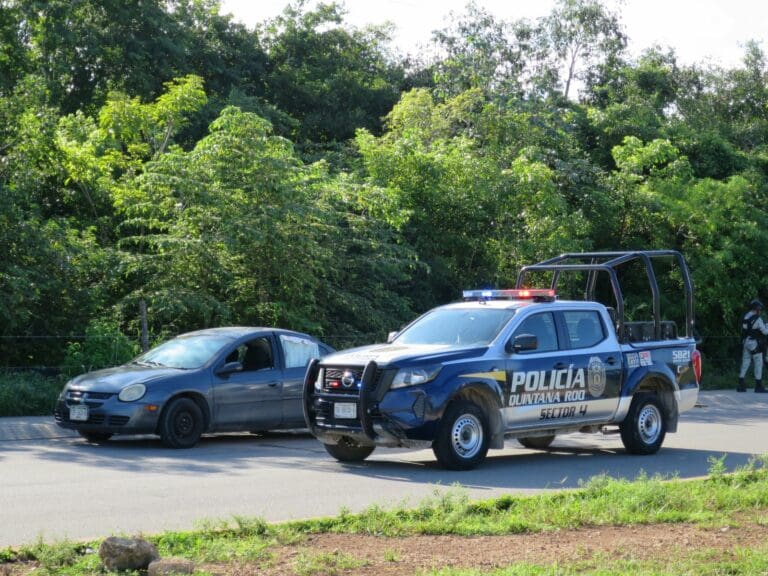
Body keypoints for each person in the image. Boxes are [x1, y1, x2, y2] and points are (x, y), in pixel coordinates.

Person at [738, 299, 768, 393]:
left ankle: (740, 384)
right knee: (758, 362)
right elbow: (765, 332)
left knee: (745, 362)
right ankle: (758, 386)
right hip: (753, 343)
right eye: (760, 309)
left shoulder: (746, 316)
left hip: (745, 342)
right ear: (757, 309)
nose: (760, 311)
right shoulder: (757, 319)